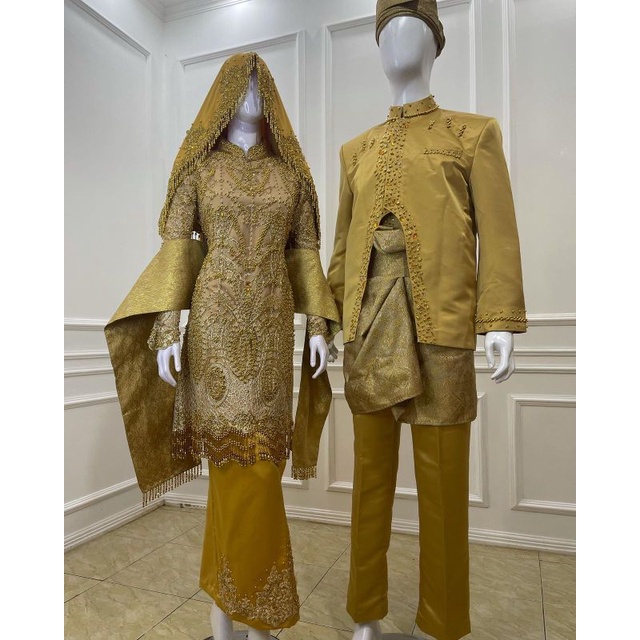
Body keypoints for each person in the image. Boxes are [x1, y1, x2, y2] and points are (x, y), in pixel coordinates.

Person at [105, 52, 339, 639]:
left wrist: (318, 327)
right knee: (231, 472)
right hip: (212, 331)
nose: (254, 93)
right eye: (243, 83)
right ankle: (241, 619)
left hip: (271, 333)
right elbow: (176, 250)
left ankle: (235, 614)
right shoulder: (200, 170)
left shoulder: (291, 176)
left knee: (259, 470)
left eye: (263, 84)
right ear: (225, 96)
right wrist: (166, 330)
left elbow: (306, 253)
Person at [327, 2, 527, 639]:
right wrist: (328, 321)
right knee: (369, 483)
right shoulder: (354, 151)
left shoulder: (473, 135)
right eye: (386, 31)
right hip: (367, 333)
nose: (397, 42)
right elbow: (341, 250)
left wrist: (498, 320)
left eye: (411, 29)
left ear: (436, 42)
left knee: (443, 492)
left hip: (441, 329)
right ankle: (366, 615)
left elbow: (498, 234)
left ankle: (442, 623)